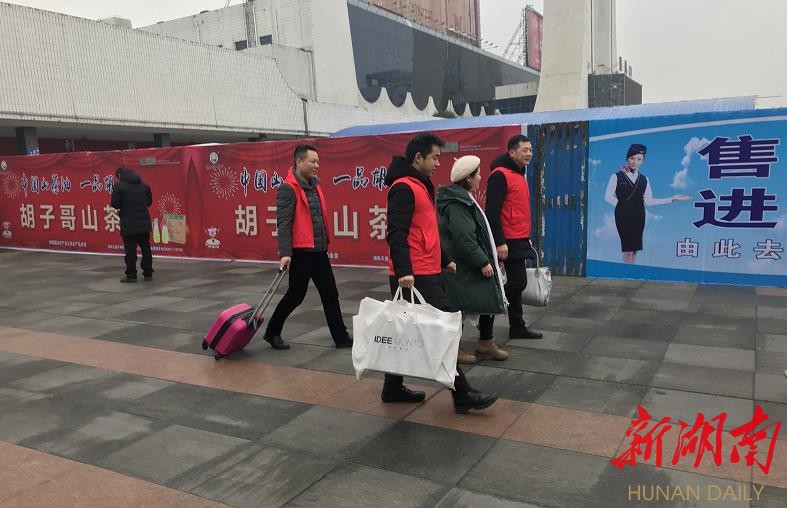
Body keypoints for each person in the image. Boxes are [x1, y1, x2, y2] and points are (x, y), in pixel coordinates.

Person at [384, 132, 497, 414]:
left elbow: (426, 229)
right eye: (434, 157)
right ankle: (462, 393)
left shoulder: (419, 185)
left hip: (425, 269)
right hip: (415, 275)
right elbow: (396, 233)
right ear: (418, 158)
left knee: (405, 332)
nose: (438, 163)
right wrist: (404, 271)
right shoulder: (403, 188)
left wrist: (444, 259)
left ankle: (392, 387)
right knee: (443, 330)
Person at [262, 144, 353, 350]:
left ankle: (340, 337)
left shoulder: (315, 185)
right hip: (301, 253)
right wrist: (285, 253)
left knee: (330, 293)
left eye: (318, 161)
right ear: (299, 162)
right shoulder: (288, 189)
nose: (317, 165)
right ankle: (272, 331)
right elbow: (283, 223)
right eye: (313, 161)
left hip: (319, 251)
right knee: (296, 296)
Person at [437, 155, 509, 363]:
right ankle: (454, 348)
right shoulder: (458, 204)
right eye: (477, 174)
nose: (480, 177)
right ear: (468, 178)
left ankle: (485, 342)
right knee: (457, 305)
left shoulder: (462, 198)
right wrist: (482, 261)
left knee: (486, 297)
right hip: (463, 264)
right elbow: (465, 238)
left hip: (465, 262)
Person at [482, 134, 543, 340]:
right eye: (525, 150)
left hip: (519, 238)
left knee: (517, 286)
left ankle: (517, 327)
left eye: (530, 150)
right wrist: (500, 242)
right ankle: (487, 309)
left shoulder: (518, 174)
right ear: (511, 152)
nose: (529, 154)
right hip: (507, 240)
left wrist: (526, 237)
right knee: (518, 283)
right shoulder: (500, 175)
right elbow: (492, 211)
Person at [604, 143, 691, 264]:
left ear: (643, 161)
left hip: (639, 216)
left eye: (639, 159)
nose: (635, 162)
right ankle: (626, 273)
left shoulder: (644, 179)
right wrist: (622, 206)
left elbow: (649, 201)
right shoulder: (616, 176)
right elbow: (608, 197)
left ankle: (631, 271)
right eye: (632, 158)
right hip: (623, 216)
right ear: (627, 158)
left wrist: (671, 199)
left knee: (635, 249)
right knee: (627, 250)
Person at [111, 167, 153, 283]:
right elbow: (149, 202)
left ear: (119, 175)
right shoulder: (144, 186)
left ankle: (131, 275)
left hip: (128, 223)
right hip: (144, 223)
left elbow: (115, 204)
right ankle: (148, 273)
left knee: (130, 250)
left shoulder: (119, 186)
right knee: (146, 249)